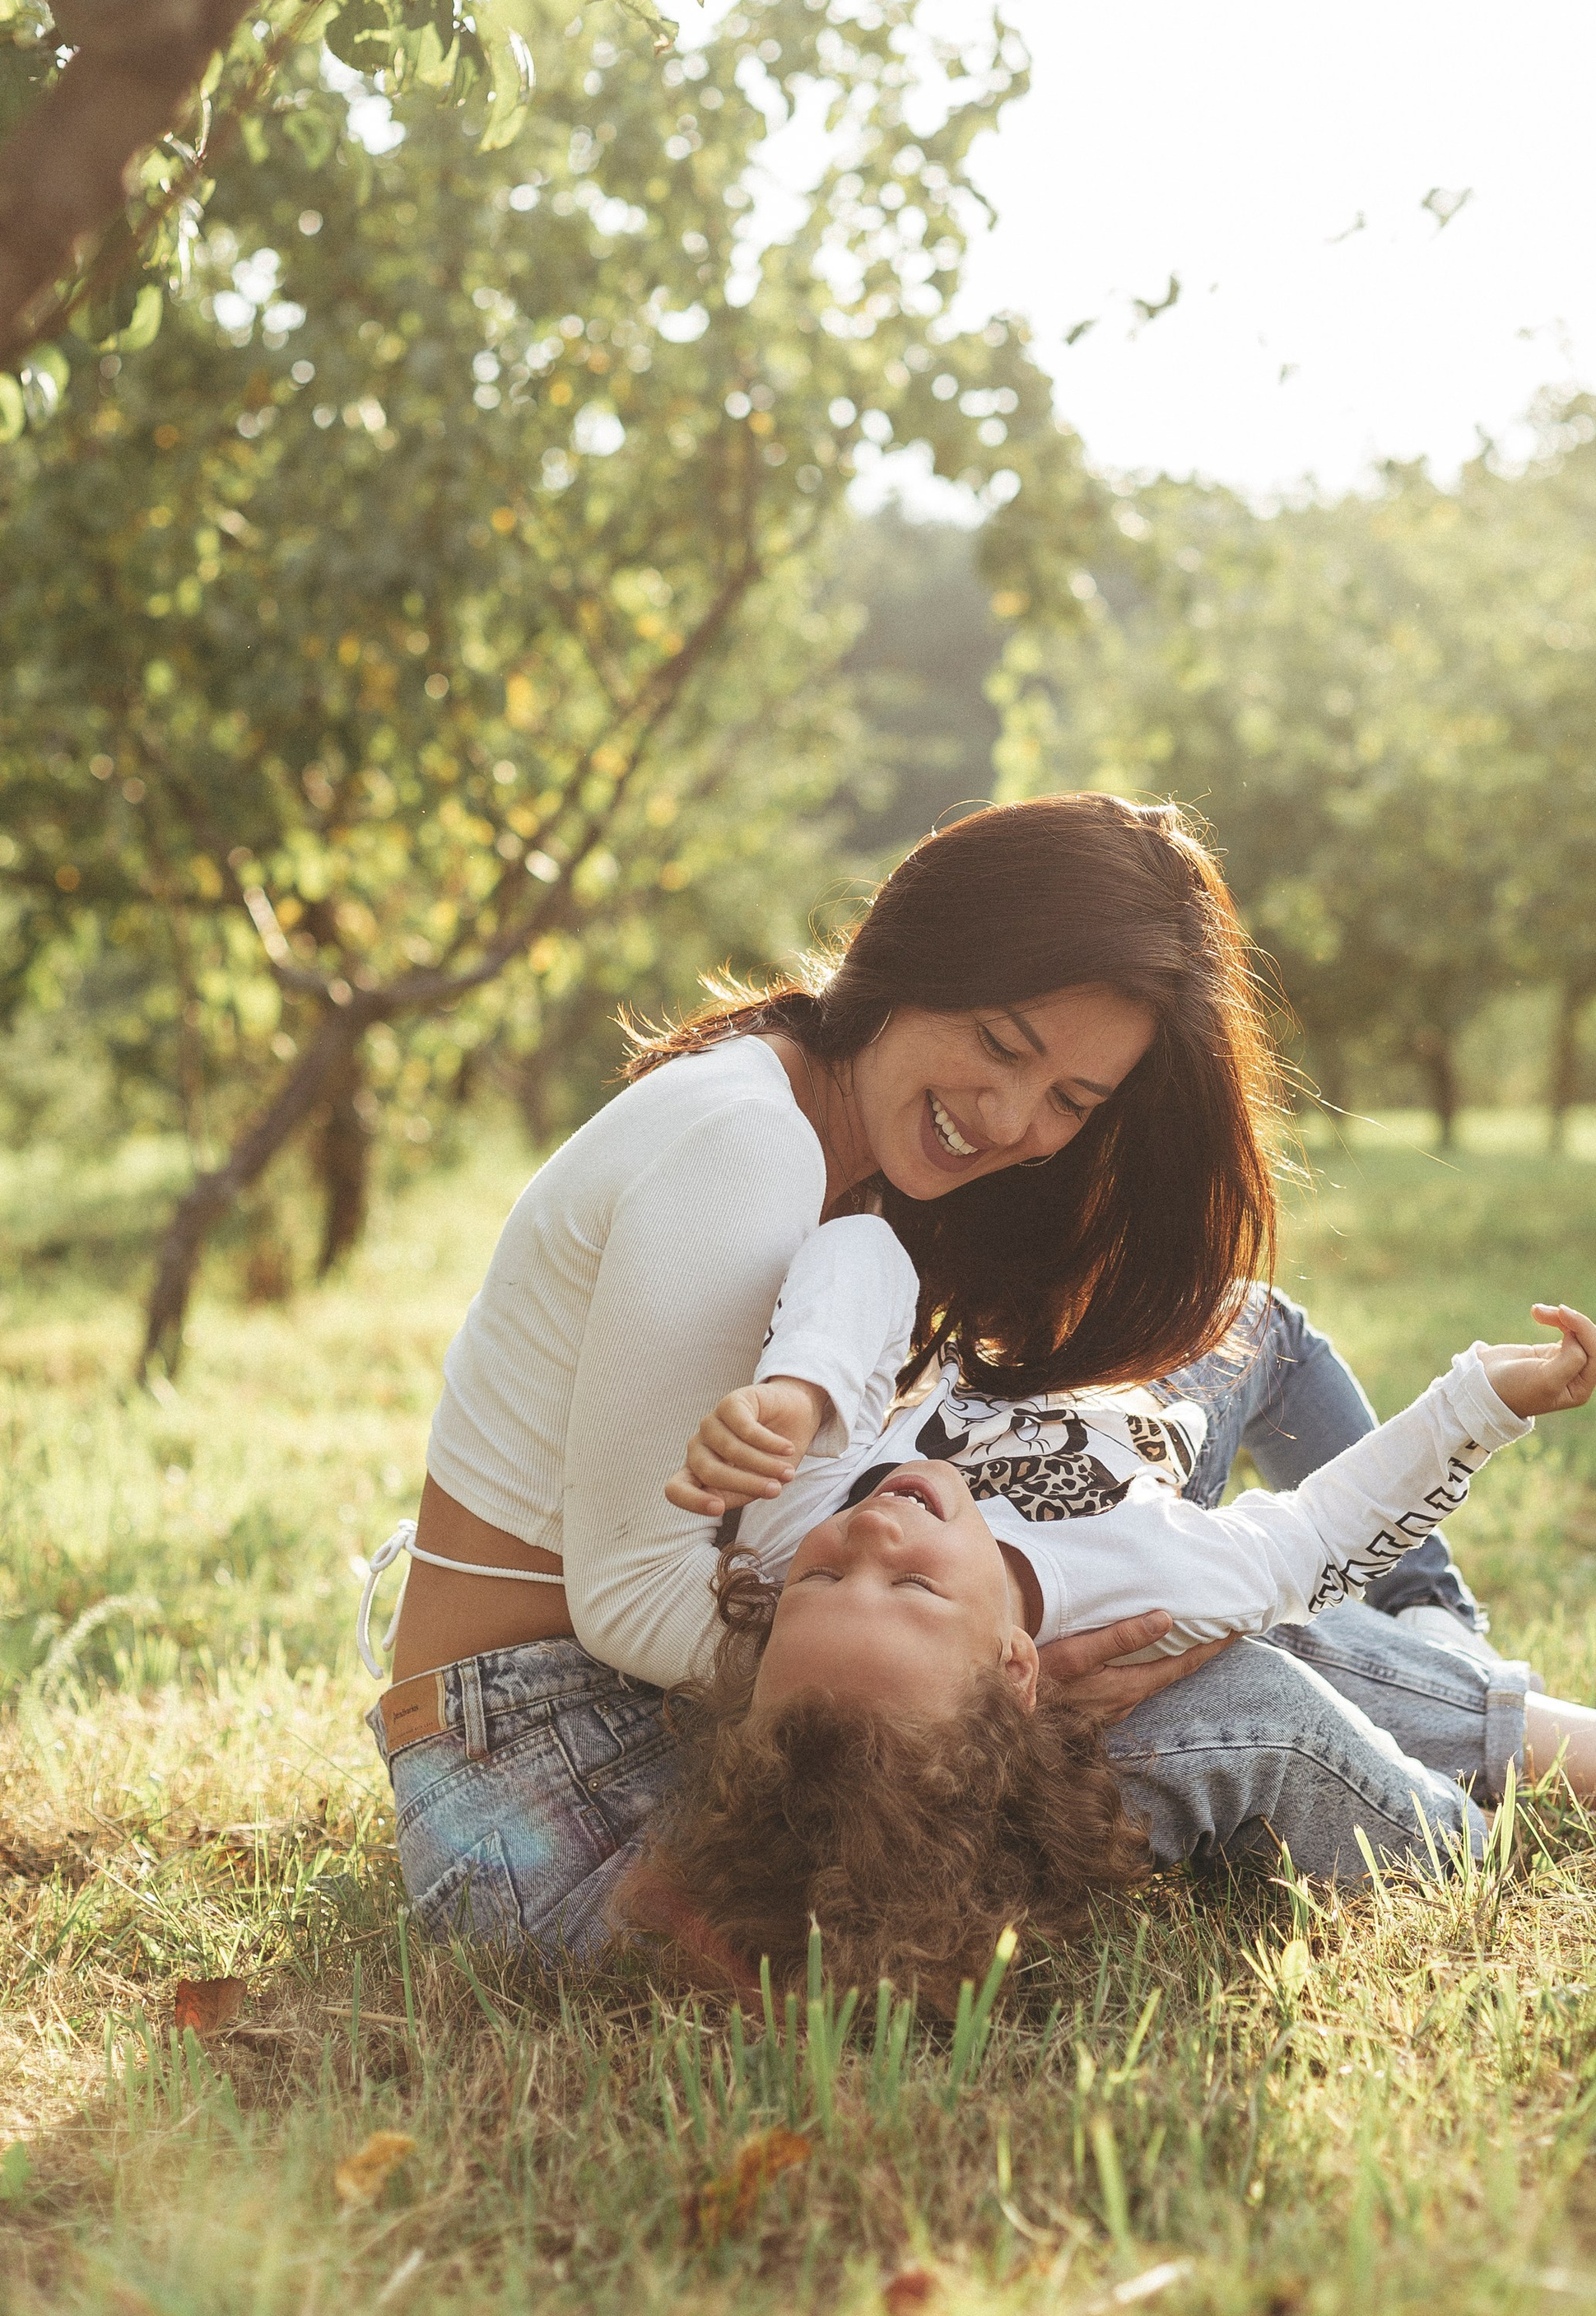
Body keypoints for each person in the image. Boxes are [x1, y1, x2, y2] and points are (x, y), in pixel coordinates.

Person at [361, 792, 1484, 1955]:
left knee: (1201, 1395)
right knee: (1225, 1685)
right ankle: (1542, 1782)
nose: (1008, 1119)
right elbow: (632, 1601)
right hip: (556, 1803)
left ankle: (1465, 1660)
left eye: (1072, 1103)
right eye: (1000, 1046)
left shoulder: (835, 1137)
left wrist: (989, 1620)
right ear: (911, 959)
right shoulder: (744, 1149)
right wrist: (992, 1656)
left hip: (656, 1707)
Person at [635, 1218, 1596, 1991]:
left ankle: (1442, 1639)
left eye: (821, 1578)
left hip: (1099, 1401)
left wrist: (802, 1391)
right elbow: (1317, 1531)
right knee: (1284, 1632)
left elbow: (865, 1255)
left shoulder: (796, 1515)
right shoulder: (1159, 1580)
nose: (865, 1535)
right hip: (1186, 1534)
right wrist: (1484, 1399)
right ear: (1026, 1668)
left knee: (1263, 1323)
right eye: (903, 1582)